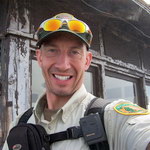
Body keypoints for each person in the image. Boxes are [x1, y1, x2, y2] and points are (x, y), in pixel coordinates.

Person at [2, 13, 150, 150]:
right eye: (52, 50)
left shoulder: (111, 118)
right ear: (40, 57)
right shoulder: (21, 122)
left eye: (74, 52)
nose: (63, 65)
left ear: (87, 61)